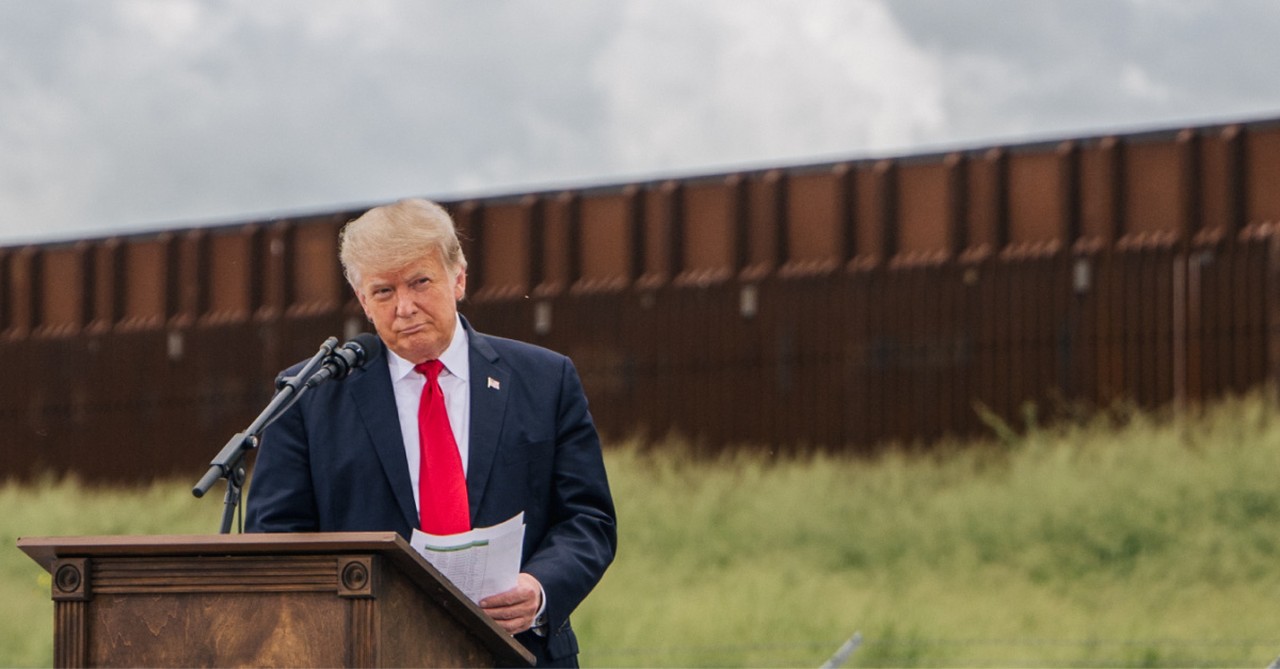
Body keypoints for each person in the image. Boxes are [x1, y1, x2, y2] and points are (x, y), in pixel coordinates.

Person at [245, 198, 618, 667]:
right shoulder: (310, 395)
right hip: (370, 653)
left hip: (521, 652)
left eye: (420, 282)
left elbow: (589, 519)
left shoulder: (544, 380)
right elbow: (275, 541)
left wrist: (540, 588)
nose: (405, 307)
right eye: (383, 291)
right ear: (362, 300)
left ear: (458, 278)